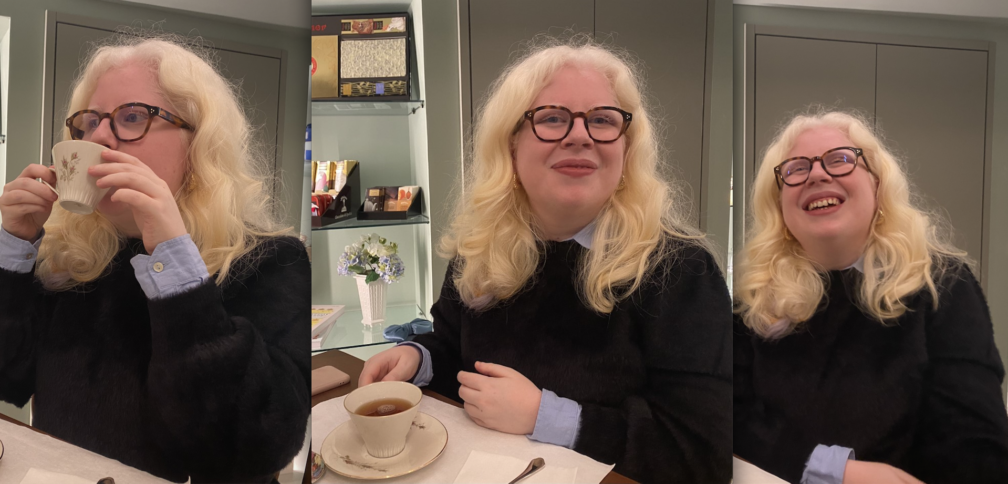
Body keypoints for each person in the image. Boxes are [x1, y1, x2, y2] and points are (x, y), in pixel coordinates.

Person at [358, 39, 732, 483]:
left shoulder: (683, 271)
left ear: (626, 149)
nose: (580, 135)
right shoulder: (481, 246)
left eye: (602, 120)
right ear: (511, 144)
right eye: (552, 118)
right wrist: (417, 358)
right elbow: (453, 348)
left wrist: (547, 416)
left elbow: (702, 454)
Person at [0, 36, 310, 484]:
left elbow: (253, 446)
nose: (98, 137)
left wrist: (172, 258)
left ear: (199, 141)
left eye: (132, 117)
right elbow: (8, 380)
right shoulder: (71, 255)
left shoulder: (271, 260)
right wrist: (14, 246)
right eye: (89, 122)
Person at [733, 110, 1008, 484]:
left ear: (877, 185)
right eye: (796, 168)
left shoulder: (941, 284)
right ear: (779, 205)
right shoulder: (754, 304)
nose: (817, 174)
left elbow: (976, 446)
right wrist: (837, 470)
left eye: (840, 159)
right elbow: (729, 420)